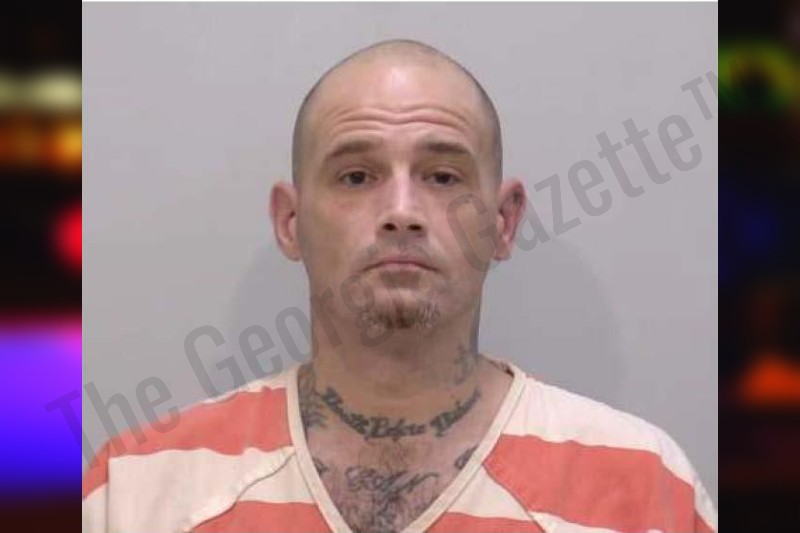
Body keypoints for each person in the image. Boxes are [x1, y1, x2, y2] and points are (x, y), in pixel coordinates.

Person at [82, 39, 717, 533]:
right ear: (290, 222)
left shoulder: (646, 486)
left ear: (502, 223)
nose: (402, 212)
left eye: (443, 176)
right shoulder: (137, 488)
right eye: (357, 176)